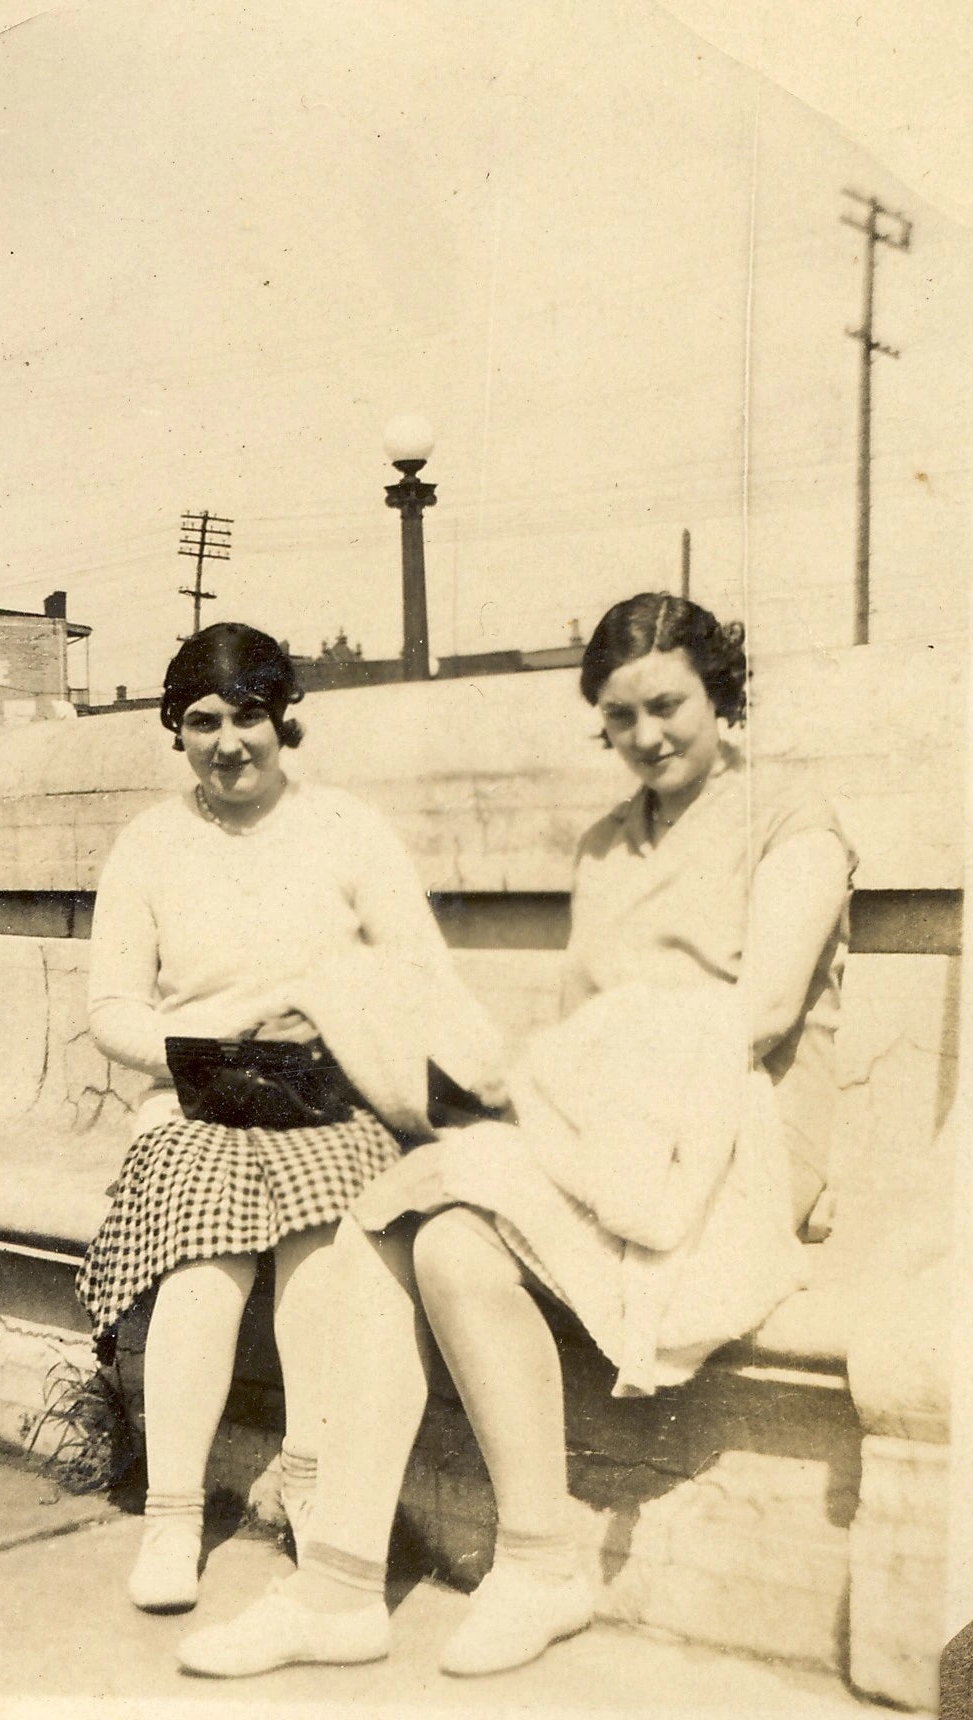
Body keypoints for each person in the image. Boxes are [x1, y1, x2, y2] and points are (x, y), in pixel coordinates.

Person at [177, 592, 856, 1682]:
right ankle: (341, 1583)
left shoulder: (792, 815)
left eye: (666, 704)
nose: (646, 735)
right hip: (625, 1132)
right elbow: (582, 1019)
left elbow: (763, 1010)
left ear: (719, 692)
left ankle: (534, 1565)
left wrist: (571, 1088)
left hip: (741, 1132)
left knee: (448, 1214)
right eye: (619, 717)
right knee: (415, 1230)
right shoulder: (606, 841)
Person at [75, 621, 504, 1619]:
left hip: (324, 1089)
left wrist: (325, 1007)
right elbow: (109, 1011)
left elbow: (419, 970)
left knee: (331, 1247)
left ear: (283, 719)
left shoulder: (345, 827)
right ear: (175, 729)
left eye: (250, 717)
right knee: (202, 1260)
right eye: (203, 721)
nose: (229, 742)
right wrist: (206, 1045)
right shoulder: (148, 844)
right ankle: (172, 1511)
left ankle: (310, 1479)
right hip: (199, 1098)